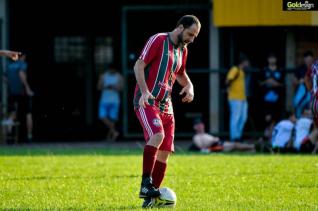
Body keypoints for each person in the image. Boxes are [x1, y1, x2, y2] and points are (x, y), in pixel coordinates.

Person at [133, 15, 201, 208]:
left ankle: (151, 199)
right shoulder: (159, 40)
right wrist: (145, 92)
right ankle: (146, 185)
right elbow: (139, 65)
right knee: (157, 135)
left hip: (167, 105)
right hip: (148, 100)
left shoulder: (183, 50)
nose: (192, 39)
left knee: (165, 153)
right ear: (180, 28)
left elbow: (180, 73)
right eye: (190, 34)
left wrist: (189, 86)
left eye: (195, 36)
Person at [4, 53, 34, 142]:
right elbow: (21, 74)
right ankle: (29, 136)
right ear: (23, 56)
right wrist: (27, 88)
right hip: (22, 92)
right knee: (28, 113)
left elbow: (4, 78)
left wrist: (12, 84)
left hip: (12, 93)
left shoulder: (9, 65)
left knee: (12, 114)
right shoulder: (22, 64)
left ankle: (8, 135)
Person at [189, 118, 255, 153]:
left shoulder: (206, 134)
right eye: (198, 125)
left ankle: (254, 148)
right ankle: (254, 146)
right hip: (214, 147)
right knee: (235, 145)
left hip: (218, 144)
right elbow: (201, 147)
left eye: (201, 124)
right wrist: (212, 141)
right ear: (194, 127)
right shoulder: (196, 137)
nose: (200, 126)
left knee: (236, 147)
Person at [225, 53, 250, 142]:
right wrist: (228, 89)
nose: (248, 64)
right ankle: (234, 138)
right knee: (235, 118)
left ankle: (238, 136)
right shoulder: (235, 69)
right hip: (235, 98)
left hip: (243, 98)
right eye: (247, 62)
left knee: (243, 118)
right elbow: (228, 80)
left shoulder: (242, 71)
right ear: (243, 62)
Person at [97, 64, 123, 141]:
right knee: (102, 116)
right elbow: (98, 87)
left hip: (115, 101)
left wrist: (114, 87)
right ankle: (114, 132)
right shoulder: (103, 76)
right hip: (104, 100)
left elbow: (121, 88)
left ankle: (110, 137)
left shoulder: (119, 76)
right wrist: (105, 87)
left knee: (112, 120)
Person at [260, 53, 284, 127]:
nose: (272, 60)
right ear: (268, 59)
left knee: (276, 116)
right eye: (270, 58)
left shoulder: (280, 70)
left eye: (273, 58)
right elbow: (259, 83)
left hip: (277, 96)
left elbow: (283, 84)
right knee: (267, 117)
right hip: (266, 97)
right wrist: (267, 81)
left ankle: (273, 134)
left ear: (276, 59)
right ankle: (265, 134)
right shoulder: (264, 70)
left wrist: (276, 84)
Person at [293, 51, 313, 118]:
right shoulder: (300, 69)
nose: (308, 61)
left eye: (310, 59)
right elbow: (294, 82)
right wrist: (300, 81)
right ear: (304, 60)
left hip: (313, 90)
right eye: (307, 59)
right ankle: (298, 120)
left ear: (312, 59)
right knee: (297, 103)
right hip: (303, 90)